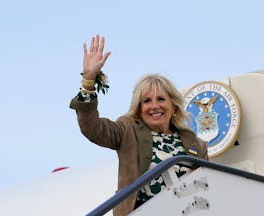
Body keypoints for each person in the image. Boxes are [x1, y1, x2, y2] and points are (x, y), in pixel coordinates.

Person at [69, 35, 208, 216]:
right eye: (147, 101)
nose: (154, 106)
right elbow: (92, 128)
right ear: (139, 108)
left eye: (161, 99)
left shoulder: (196, 144)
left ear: (173, 105)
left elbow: (209, 186)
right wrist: (88, 81)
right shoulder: (127, 131)